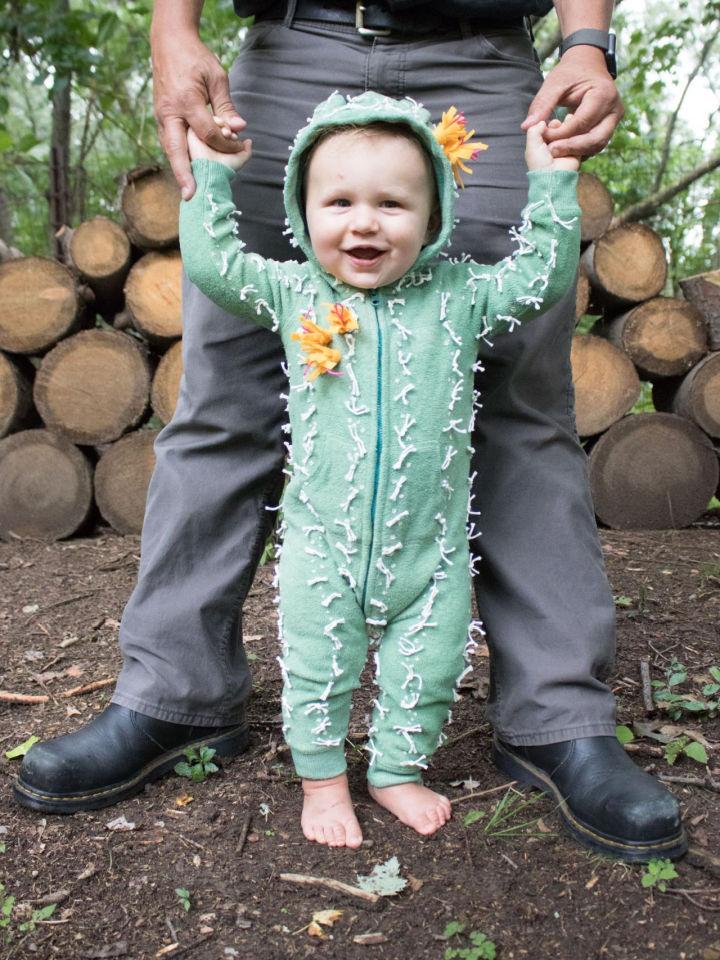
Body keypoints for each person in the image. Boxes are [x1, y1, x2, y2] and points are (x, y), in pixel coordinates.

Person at [14, 0, 687, 863]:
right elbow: (221, 270)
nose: (364, 226)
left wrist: (587, 38)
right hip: (292, 41)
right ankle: (174, 693)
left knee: (523, 396)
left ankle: (559, 717)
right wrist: (171, 29)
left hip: (481, 62)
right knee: (222, 393)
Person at [180, 90, 581, 846]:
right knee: (317, 664)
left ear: (433, 219)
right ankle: (323, 779)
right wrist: (215, 174)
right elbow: (214, 265)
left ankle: (397, 768)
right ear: (303, 212)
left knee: (426, 669)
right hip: (320, 547)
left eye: (393, 204)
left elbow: (541, 279)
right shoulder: (297, 289)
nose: (364, 221)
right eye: (338, 202)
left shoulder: (459, 295)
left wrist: (553, 181)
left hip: (430, 556)